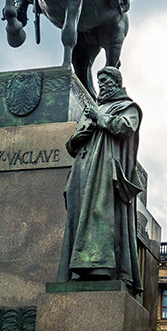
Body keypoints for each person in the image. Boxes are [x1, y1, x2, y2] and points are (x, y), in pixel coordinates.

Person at [57, 66, 143, 295]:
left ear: (117, 83)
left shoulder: (128, 107)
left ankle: (101, 268)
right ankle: (76, 271)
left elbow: (126, 127)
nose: (102, 84)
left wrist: (101, 118)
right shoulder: (93, 109)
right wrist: (75, 140)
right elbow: (73, 143)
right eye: (99, 80)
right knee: (78, 218)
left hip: (104, 172)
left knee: (101, 216)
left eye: (106, 80)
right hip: (82, 171)